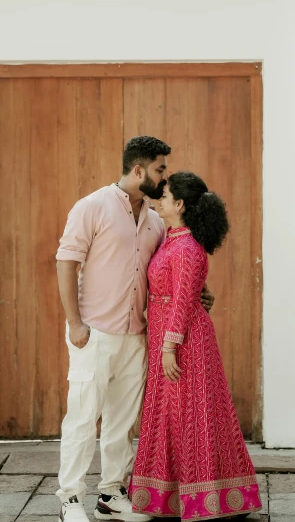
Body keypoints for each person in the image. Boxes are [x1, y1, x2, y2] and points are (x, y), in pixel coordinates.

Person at [55, 137, 215, 522]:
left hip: (138, 334)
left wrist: (200, 294)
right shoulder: (92, 207)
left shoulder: (156, 219)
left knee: (122, 421)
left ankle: (111, 493)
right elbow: (66, 261)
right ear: (139, 169)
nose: (164, 178)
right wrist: (75, 322)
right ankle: (70, 499)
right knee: (82, 415)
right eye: (160, 169)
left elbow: (172, 267)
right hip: (94, 331)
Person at [129, 172, 262, 521]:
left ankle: (208, 499)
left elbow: (184, 302)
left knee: (194, 416)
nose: (158, 199)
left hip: (186, 343)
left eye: (165, 194)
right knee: (172, 416)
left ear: (180, 205)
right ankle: (171, 498)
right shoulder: (172, 240)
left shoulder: (187, 247)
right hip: (167, 337)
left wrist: (169, 347)